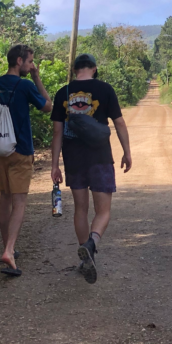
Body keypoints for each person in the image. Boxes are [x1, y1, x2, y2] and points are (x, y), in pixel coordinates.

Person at [51, 53, 133, 284]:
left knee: (81, 209)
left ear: (75, 69)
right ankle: (91, 243)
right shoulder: (105, 89)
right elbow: (119, 123)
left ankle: (84, 256)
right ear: (94, 68)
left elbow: (57, 132)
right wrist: (127, 152)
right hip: (100, 157)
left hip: (73, 158)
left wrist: (55, 164)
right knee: (103, 210)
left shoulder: (63, 92)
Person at [0, 44, 52, 277]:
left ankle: (7, 246)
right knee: (19, 202)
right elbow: (48, 107)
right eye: (30, 62)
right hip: (20, 151)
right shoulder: (25, 85)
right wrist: (37, 78)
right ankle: (9, 251)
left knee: (5, 197)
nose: (32, 66)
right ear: (19, 61)